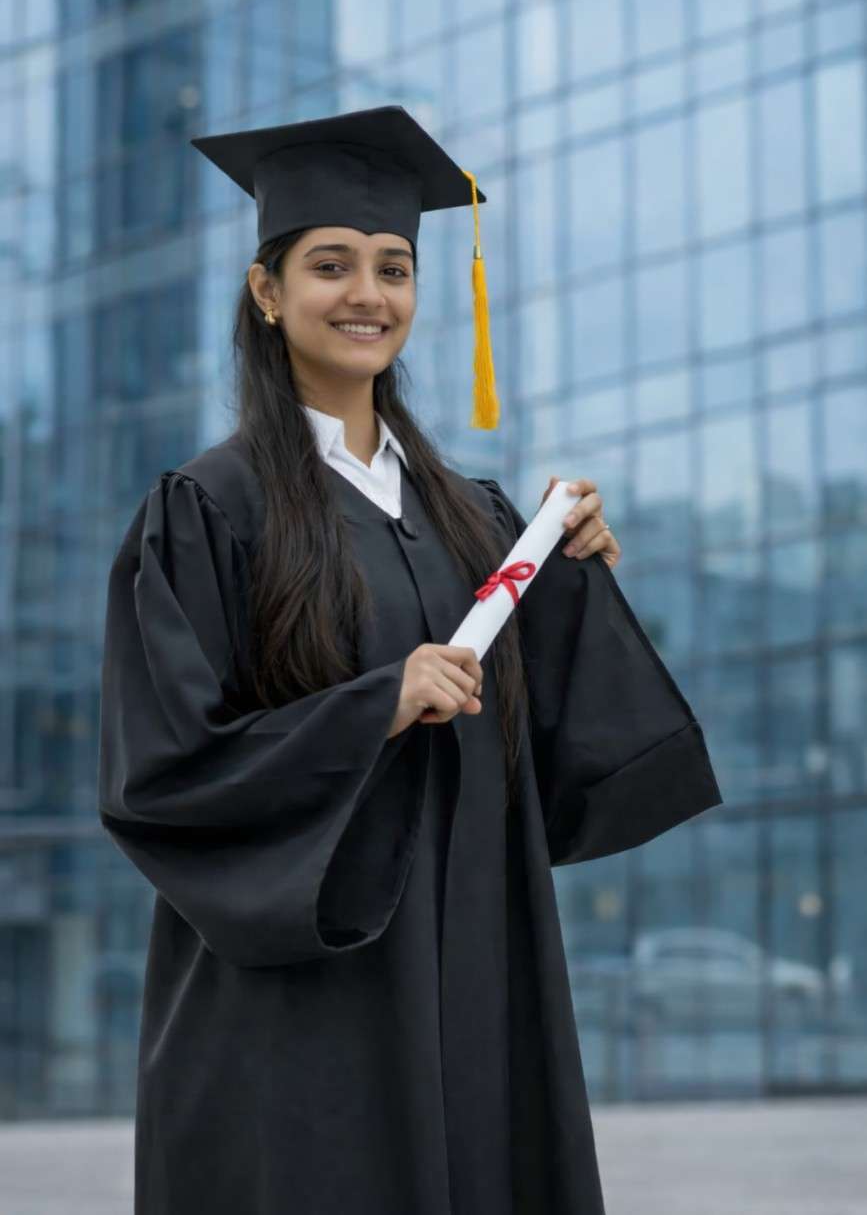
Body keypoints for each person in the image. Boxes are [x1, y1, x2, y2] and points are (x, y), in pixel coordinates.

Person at [97, 105, 722, 1215]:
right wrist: (376, 705)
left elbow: (548, 758)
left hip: (474, 971)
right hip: (302, 997)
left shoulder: (473, 517)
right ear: (267, 291)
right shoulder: (209, 509)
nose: (368, 295)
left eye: (394, 268)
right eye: (330, 264)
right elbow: (163, 773)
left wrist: (570, 580)